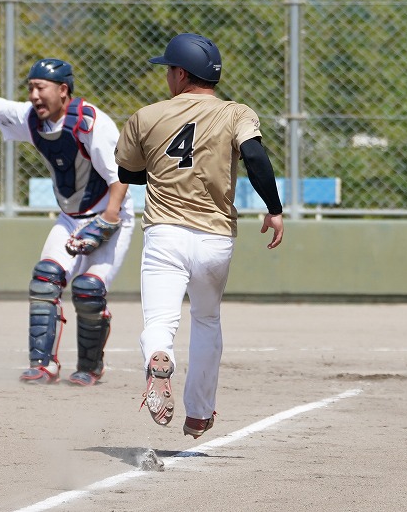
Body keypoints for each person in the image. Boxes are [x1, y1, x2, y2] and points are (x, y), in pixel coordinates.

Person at [0, 58, 135, 387]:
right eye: (31, 88)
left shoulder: (90, 122)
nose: (34, 95)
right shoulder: (32, 118)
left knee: (88, 289)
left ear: (63, 90)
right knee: (45, 279)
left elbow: (121, 174)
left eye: (40, 88)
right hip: (71, 217)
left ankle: (91, 366)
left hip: (112, 213)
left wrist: (109, 217)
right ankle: (43, 365)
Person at [115, 33, 284, 438]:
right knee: (206, 319)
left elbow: (127, 173)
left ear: (181, 73)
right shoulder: (236, 112)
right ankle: (199, 413)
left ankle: (159, 358)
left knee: (160, 320)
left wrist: (164, 168)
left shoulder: (147, 115)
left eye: (169, 70)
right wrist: (274, 209)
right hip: (215, 237)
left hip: (165, 233)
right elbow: (255, 156)